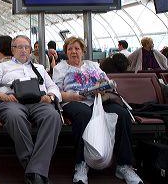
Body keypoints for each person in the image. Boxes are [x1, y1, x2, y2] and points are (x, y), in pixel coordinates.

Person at [52, 36, 143, 184]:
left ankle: (124, 165)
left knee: (122, 114)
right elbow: (56, 92)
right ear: (66, 52)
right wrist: (74, 96)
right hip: (73, 100)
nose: (74, 52)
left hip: (98, 99)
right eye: (70, 49)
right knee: (84, 115)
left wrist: (102, 87)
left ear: (83, 51)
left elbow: (105, 81)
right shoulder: (60, 68)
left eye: (77, 48)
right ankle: (81, 164)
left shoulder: (93, 65)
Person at [0, 35, 62, 184]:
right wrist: (1, 95)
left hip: (39, 101)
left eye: (26, 47)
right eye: (19, 47)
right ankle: (36, 172)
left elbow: (53, 86)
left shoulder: (39, 68)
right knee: (15, 117)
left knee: (53, 116)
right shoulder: (2, 67)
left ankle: (33, 171)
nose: (23, 50)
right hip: (11, 101)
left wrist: (51, 96)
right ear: (12, 50)